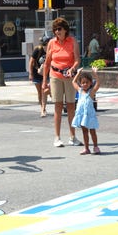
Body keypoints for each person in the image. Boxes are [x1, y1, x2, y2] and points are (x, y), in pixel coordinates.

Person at [41, 17, 81, 147]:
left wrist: (73, 68)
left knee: (70, 106)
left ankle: (73, 136)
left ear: (65, 30)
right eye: (55, 30)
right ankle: (57, 137)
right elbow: (46, 63)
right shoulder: (52, 43)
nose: (57, 32)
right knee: (57, 106)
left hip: (69, 76)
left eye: (59, 29)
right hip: (55, 75)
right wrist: (44, 81)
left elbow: (77, 59)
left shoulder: (72, 41)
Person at [71, 67, 101, 155]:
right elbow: (73, 82)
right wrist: (78, 73)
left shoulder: (91, 92)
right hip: (82, 115)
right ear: (80, 83)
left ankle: (95, 147)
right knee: (84, 132)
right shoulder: (80, 91)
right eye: (83, 82)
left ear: (90, 83)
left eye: (87, 82)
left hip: (90, 116)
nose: (84, 84)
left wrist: (95, 73)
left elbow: (98, 83)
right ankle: (86, 148)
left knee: (92, 131)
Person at [29, 34, 50, 117]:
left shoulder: (51, 50)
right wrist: (30, 74)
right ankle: (42, 107)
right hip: (37, 73)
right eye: (47, 42)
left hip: (46, 73)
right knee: (40, 92)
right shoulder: (38, 50)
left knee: (44, 90)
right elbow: (31, 62)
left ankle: (43, 108)